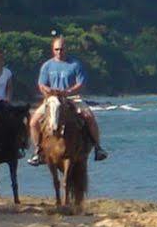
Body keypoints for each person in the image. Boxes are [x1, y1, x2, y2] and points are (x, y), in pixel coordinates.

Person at [27, 33, 107, 164]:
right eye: (56, 49)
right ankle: (38, 151)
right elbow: (41, 84)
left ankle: (98, 148)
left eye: (62, 49)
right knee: (33, 122)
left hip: (72, 98)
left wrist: (67, 91)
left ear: (66, 49)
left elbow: (80, 83)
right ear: (53, 50)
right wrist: (48, 90)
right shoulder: (47, 66)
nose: (59, 52)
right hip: (52, 99)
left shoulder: (75, 64)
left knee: (89, 117)